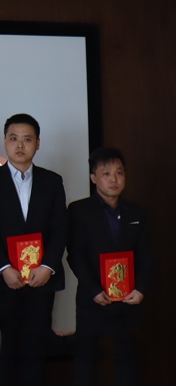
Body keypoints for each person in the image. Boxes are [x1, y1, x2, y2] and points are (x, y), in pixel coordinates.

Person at [0, 113, 67, 386]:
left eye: (27, 139)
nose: (20, 145)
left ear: (37, 143)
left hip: (41, 279)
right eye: (14, 138)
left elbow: (60, 228)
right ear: (5, 141)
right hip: (3, 280)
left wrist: (47, 266)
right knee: (7, 348)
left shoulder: (52, 181)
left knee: (36, 348)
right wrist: (4, 268)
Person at [67, 148, 152, 386]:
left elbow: (146, 255)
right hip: (93, 297)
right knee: (86, 360)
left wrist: (141, 289)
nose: (114, 179)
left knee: (127, 359)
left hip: (128, 299)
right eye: (106, 173)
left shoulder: (136, 212)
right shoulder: (79, 210)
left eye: (119, 173)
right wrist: (93, 289)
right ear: (94, 177)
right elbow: (75, 255)